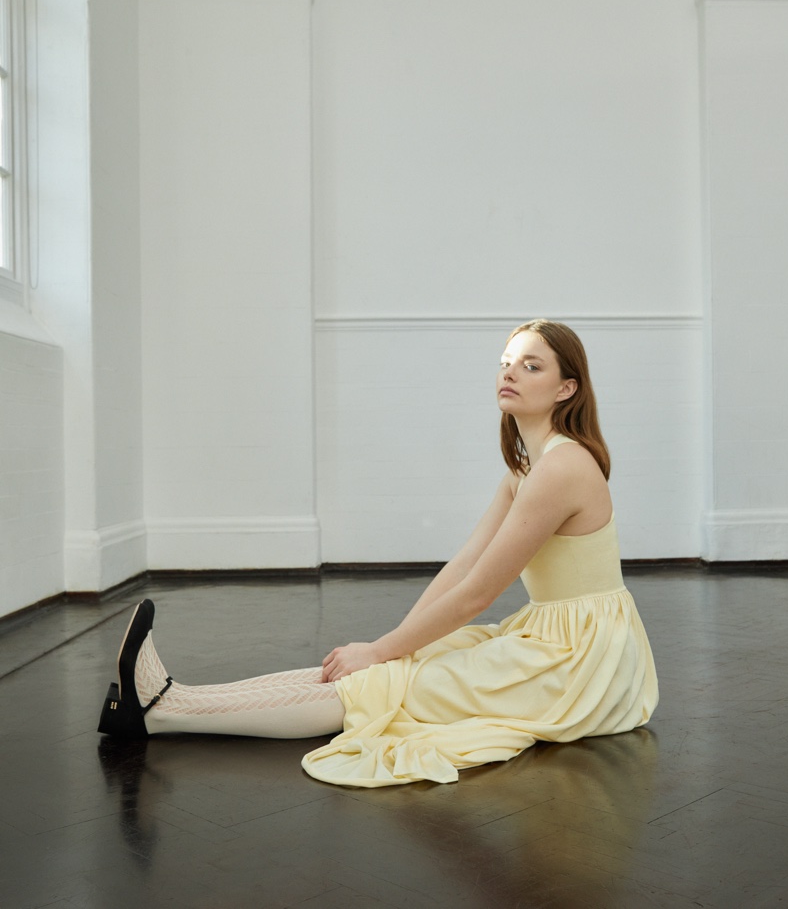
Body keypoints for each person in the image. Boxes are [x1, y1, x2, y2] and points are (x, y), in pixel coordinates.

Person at [98, 319, 658, 787]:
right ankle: (171, 696)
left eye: (531, 365)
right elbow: (462, 567)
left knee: (379, 682)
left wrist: (382, 652)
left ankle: (161, 716)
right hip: (551, 637)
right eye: (506, 361)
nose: (509, 371)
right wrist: (390, 647)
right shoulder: (526, 470)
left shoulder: (562, 467)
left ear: (566, 388)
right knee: (386, 668)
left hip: (580, 661)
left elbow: (480, 593)